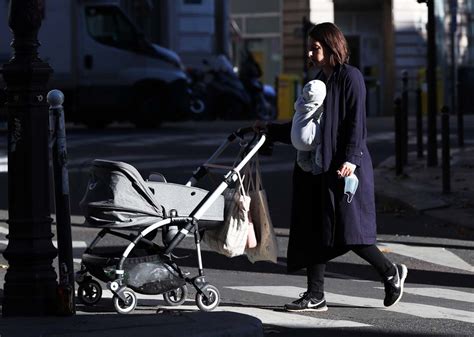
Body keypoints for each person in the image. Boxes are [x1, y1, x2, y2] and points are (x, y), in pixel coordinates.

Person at [258, 22, 408, 312]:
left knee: (350, 231)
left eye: (315, 48)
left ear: (331, 47)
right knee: (315, 229)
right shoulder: (319, 81)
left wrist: (350, 160)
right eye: (310, 49)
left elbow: (356, 124)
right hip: (318, 167)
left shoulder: (350, 78)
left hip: (345, 168)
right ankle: (315, 295)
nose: (310, 54)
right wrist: (271, 130)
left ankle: (390, 272)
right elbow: (308, 128)